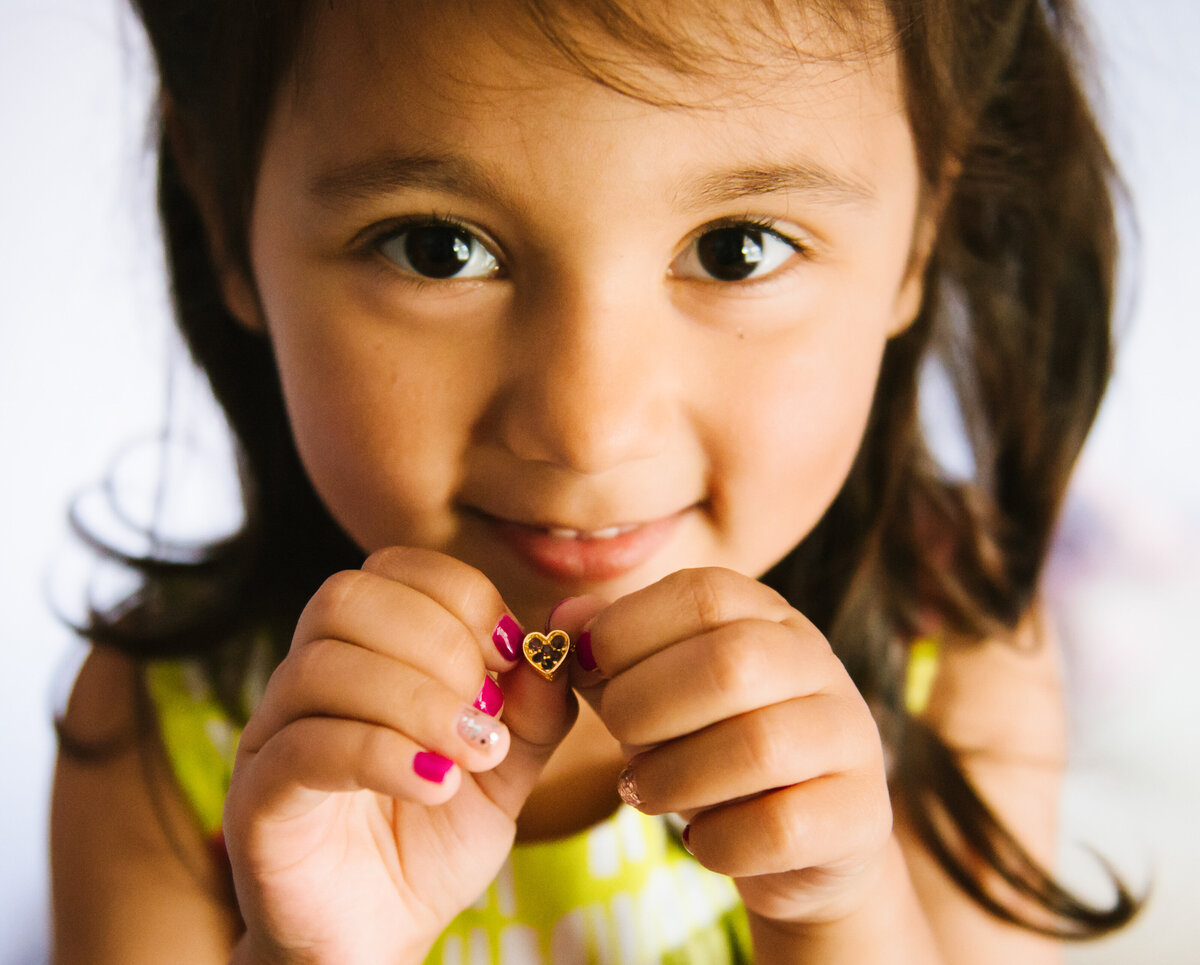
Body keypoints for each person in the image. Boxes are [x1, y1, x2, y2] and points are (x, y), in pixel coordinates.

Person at [49, 0, 1140, 962]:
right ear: (225, 213)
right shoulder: (163, 731)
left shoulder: (954, 655)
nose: (586, 428)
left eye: (740, 247)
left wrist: (836, 910)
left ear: (919, 236)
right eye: (437, 247)